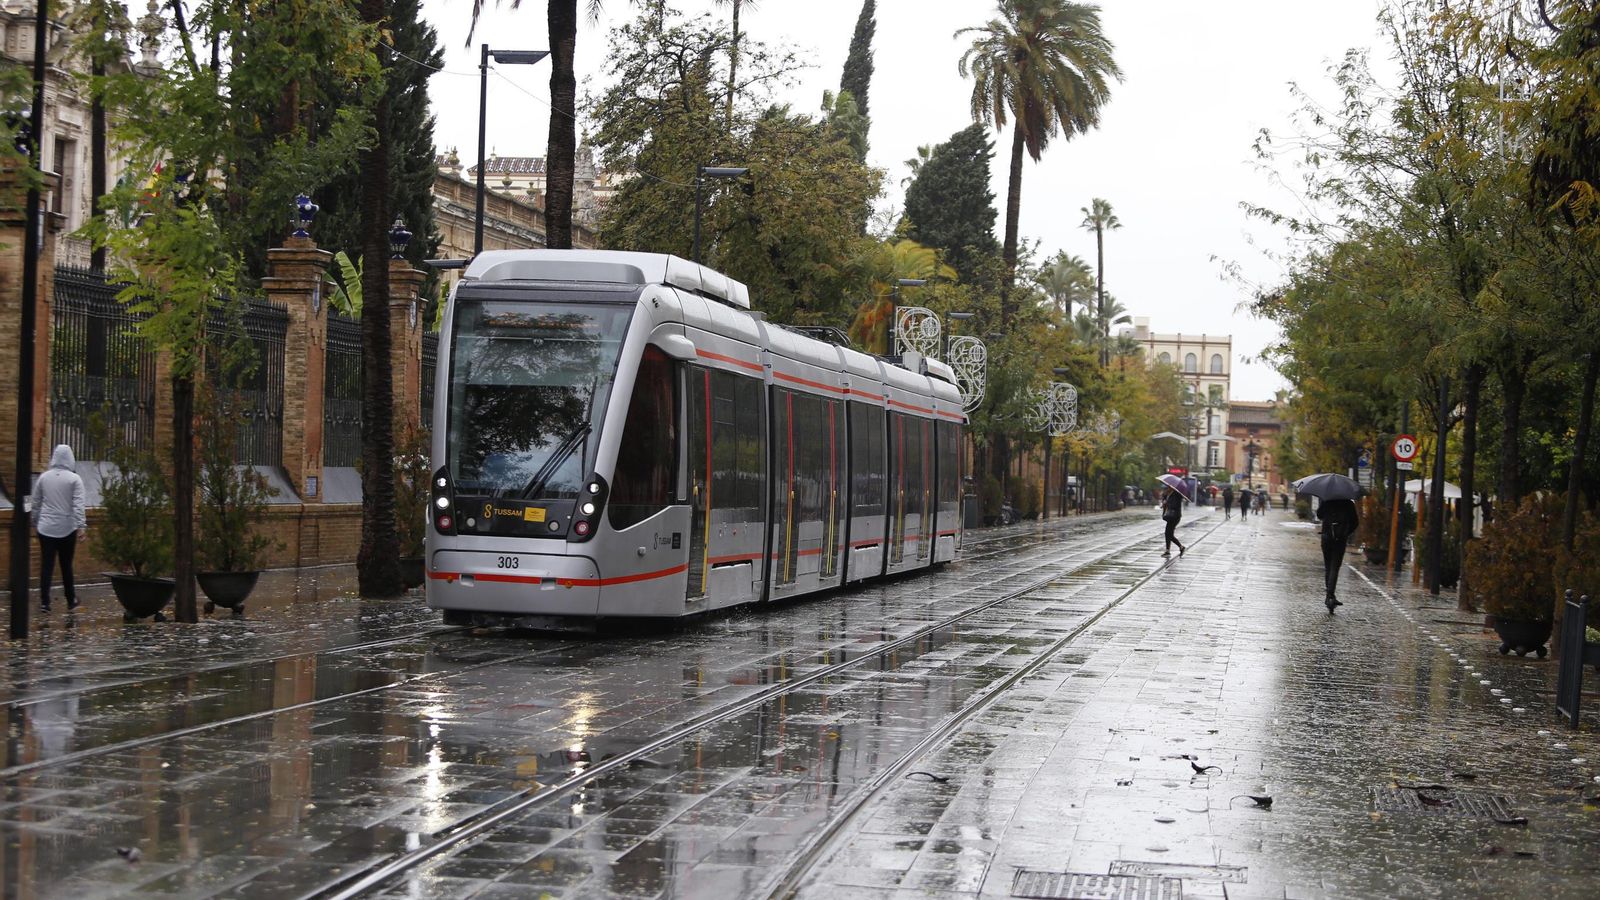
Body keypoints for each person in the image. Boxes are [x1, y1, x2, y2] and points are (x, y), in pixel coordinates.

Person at [30, 444, 87, 612]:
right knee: (66, 565)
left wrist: (34, 522)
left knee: (46, 565)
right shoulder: (74, 479)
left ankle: (45, 602)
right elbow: (78, 505)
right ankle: (71, 599)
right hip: (67, 528)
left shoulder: (43, 477)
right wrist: (81, 526)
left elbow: (36, 502)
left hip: (45, 528)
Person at [1317, 497, 1359, 613]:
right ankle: (1330, 596)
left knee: (1328, 568)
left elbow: (1319, 515)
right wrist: (1345, 532)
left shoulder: (1327, 500)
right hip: (1340, 539)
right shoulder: (1348, 503)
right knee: (1335, 567)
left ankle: (1329, 596)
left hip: (1326, 537)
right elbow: (1355, 522)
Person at [1161, 486, 1186, 558]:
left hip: (1175, 516)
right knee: (1168, 533)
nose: (1167, 488)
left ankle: (1177, 548)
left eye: (1168, 487)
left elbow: (1175, 505)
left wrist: (1167, 503)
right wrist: (1164, 501)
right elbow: (1165, 503)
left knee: (1169, 534)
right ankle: (1170, 550)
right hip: (1170, 516)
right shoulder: (1167, 494)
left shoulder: (1177, 494)